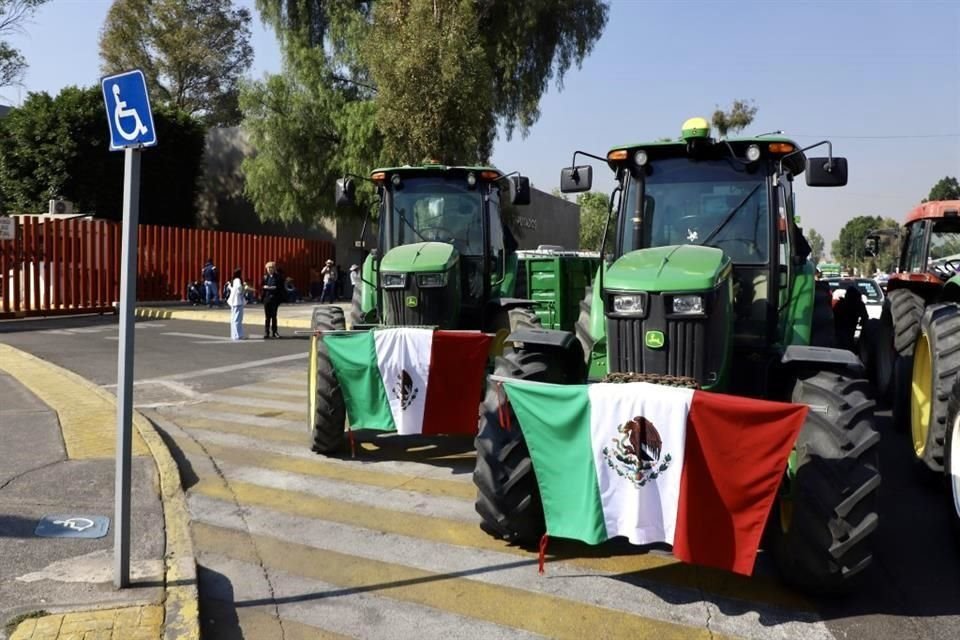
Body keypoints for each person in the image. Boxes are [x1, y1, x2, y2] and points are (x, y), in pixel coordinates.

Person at [833, 284, 869, 352]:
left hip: (841, 329)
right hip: (848, 328)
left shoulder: (841, 304)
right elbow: (865, 317)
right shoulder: (858, 304)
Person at [261, 261, 283, 339]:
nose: (270, 269)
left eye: (271, 268)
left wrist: (275, 288)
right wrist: (264, 287)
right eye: (268, 268)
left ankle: (275, 332)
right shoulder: (265, 277)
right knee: (267, 317)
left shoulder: (278, 277)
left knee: (274, 316)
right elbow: (261, 286)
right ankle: (266, 332)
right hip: (267, 299)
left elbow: (281, 287)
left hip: (274, 299)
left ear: (274, 269)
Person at [226, 268, 246, 340]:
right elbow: (239, 288)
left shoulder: (233, 280)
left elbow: (230, 288)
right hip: (237, 301)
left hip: (233, 301)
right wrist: (244, 288)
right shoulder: (238, 280)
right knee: (237, 319)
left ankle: (234, 335)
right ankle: (238, 335)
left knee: (234, 319)